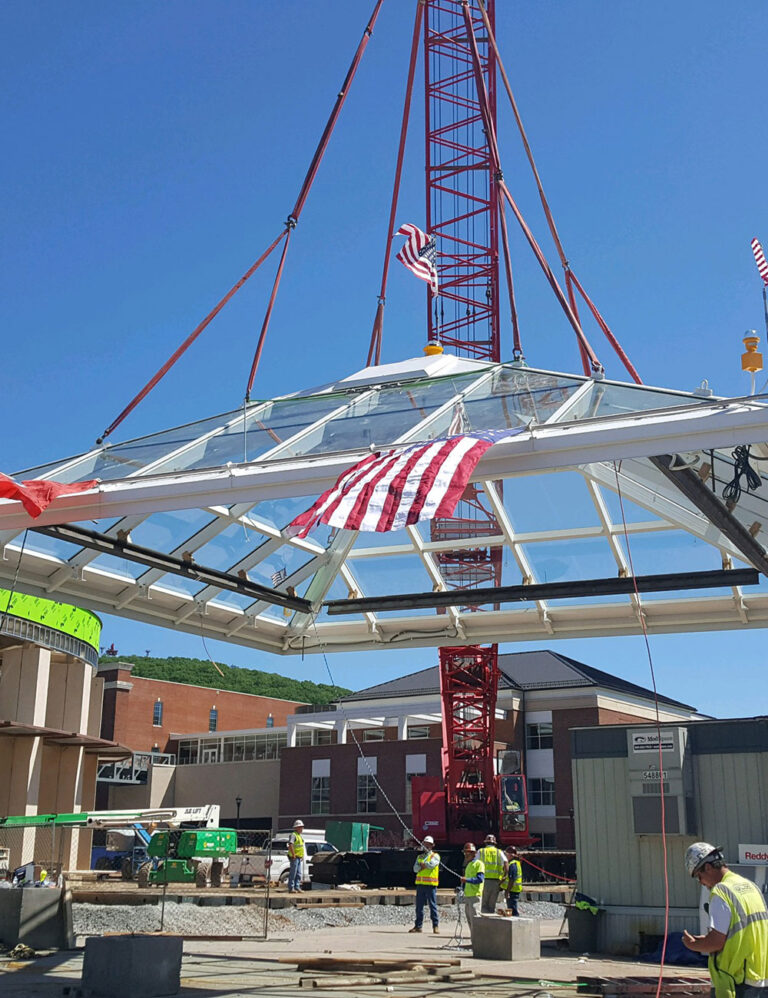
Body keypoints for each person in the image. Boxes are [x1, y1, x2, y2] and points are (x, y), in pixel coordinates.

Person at [681, 841, 768, 998]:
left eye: (698, 876)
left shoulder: (721, 892)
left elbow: (716, 942)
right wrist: (706, 939)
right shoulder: (750, 886)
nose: (701, 882)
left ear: (707, 867)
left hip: (735, 982)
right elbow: (742, 932)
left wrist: (693, 945)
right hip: (760, 978)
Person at [410, 835, 441, 934]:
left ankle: (435, 926)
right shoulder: (419, 857)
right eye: (425, 844)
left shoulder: (435, 856)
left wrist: (422, 866)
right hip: (420, 885)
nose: (427, 846)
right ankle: (418, 926)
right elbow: (415, 869)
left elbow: (431, 865)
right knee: (419, 906)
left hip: (431, 885)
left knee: (432, 905)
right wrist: (424, 866)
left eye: (429, 845)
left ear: (432, 846)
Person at [478, 834, 508, 913]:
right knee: (492, 904)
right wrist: (505, 876)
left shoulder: (481, 851)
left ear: (485, 843)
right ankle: (491, 920)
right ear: (495, 843)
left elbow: (474, 863)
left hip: (483, 880)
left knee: (483, 903)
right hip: (496, 881)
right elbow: (506, 863)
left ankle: (484, 920)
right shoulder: (499, 852)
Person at [459, 842, 484, 926]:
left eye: (468, 852)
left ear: (473, 853)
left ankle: (479, 938)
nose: (465, 855)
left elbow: (480, 879)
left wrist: (467, 880)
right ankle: (473, 937)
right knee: (469, 919)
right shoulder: (469, 865)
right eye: (465, 852)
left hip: (475, 896)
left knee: (475, 919)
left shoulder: (479, 864)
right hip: (468, 896)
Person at [502, 845, 523, 915]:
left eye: (506, 854)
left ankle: (516, 922)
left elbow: (512, 879)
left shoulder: (512, 865)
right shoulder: (515, 863)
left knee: (512, 909)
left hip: (513, 890)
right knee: (511, 907)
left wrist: (507, 892)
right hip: (514, 889)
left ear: (510, 855)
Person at [287, 819, 305, 894]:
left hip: (298, 857)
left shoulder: (299, 836)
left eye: (302, 827)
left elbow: (300, 847)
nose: (302, 828)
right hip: (294, 857)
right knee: (293, 873)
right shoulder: (293, 835)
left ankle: (297, 887)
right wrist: (293, 854)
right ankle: (291, 888)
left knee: (298, 873)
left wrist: (302, 856)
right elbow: (290, 844)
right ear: (296, 828)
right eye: (300, 827)